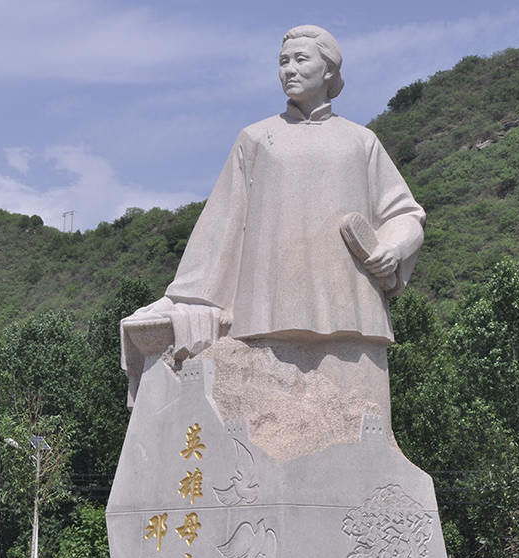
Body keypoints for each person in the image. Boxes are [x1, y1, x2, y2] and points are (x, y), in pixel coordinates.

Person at [121, 25, 425, 426]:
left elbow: (405, 214)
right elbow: (222, 226)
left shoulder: (361, 141)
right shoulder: (256, 138)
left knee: (362, 429)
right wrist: (186, 299)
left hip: (353, 313)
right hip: (268, 311)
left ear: (329, 70)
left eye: (301, 59)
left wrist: (393, 247)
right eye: (283, 61)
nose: (289, 69)